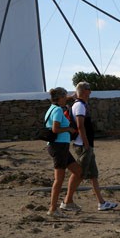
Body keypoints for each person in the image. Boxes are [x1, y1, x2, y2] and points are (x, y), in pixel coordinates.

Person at [70, 82, 118, 211]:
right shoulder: (79, 106)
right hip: (83, 145)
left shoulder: (79, 104)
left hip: (85, 145)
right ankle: (67, 200)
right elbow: (80, 126)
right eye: (89, 89)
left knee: (93, 175)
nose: (90, 92)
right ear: (84, 91)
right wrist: (86, 144)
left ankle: (101, 202)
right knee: (78, 174)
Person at [45, 87, 82, 218]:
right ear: (60, 98)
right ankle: (53, 209)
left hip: (61, 147)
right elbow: (55, 129)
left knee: (78, 171)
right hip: (58, 147)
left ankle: (68, 202)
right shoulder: (58, 110)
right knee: (59, 179)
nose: (66, 98)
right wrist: (69, 129)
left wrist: (74, 95)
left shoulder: (52, 108)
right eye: (65, 96)